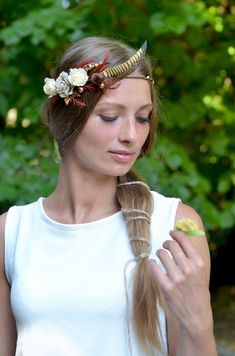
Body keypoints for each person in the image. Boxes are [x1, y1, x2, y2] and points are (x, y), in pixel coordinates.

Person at [0, 36, 217, 356]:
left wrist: (199, 320)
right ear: (64, 118)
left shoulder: (174, 227)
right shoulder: (11, 233)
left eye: (142, 117)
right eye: (110, 116)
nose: (131, 135)